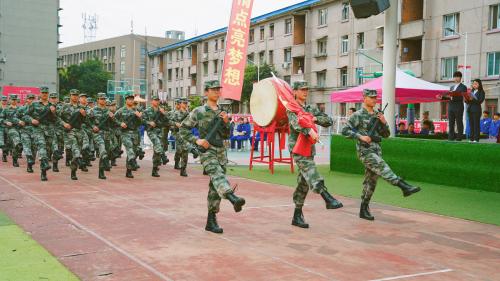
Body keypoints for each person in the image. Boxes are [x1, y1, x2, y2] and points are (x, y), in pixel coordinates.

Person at [342, 89, 421, 221]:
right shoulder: (358, 115)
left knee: (371, 182)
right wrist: (360, 136)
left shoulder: (378, 115)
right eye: (371, 97)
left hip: (376, 150)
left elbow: (386, 134)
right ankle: (403, 186)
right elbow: (345, 130)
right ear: (364, 98)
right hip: (365, 151)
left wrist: (384, 122)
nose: (374, 100)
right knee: (382, 166)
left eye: (375, 97)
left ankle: (363, 208)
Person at [179, 80, 246, 234]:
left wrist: (226, 122)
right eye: (213, 89)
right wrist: (197, 140)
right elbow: (183, 129)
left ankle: (211, 220)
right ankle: (232, 197)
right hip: (207, 151)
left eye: (218, 89)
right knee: (217, 174)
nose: (217, 92)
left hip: (221, 151)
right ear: (206, 92)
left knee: (214, 187)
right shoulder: (199, 111)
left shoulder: (222, 112)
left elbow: (227, 135)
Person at [287, 81, 343, 229]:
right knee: (311, 171)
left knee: (304, 182)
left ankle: (297, 216)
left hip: (309, 148)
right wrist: (309, 130)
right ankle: (327, 198)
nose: (305, 92)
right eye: (302, 90)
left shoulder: (311, 108)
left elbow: (328, 120)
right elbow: (296, 125)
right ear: (295, 91)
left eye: (306, 89)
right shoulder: (292, 107)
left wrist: (315, 119)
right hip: (298, 148)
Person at [114, 93, 143, 178]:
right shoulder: (121, 110)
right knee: (129, 148)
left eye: (132, 99)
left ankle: (129, 170)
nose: (131, 100)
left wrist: (139, 117)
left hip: (134, 133)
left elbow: (141, 123)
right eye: (129, 99)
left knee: (132, 151)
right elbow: (113, 119)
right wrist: (120, 123)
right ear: (126, 100)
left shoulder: (136, 110)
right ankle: (133, 162)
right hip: (125, 133)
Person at [143, 94, 170, 177]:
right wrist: (149, 122)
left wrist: (164, 114)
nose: (157, 101)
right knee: (157, 143)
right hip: (151, 131)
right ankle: (164, 157)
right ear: (152, 101)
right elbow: (142, 120)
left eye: (158, 100)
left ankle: (155, 169)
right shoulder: (147, 111)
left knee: (157, 150)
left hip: (159, 131)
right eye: (155, 100)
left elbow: (167, 121)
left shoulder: (161, 110)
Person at [89, 93, 114, 179]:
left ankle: (101, 171)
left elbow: (113, 124)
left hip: (107, 134)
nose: (103, 100)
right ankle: (103, 170)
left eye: (104, 99)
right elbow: (86, 120)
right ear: (98, 100)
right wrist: (93, 126)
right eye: (101, 99)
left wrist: (112, 118)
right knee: (102, 150)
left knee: (106, 152)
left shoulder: (108, 111)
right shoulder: (93, 110)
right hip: (97, 133)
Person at [439, 71, 466, 141]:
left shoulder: (463, 87)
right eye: (455, 77)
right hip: (451, 106)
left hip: (458, 106)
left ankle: (459, 137)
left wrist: (452, 96)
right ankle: (451, 137)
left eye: (458, 77)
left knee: (459, 122)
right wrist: (441, 97)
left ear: (460, 78)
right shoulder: (451, 87)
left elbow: (461, 97)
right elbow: (449, 97)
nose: (456, 78)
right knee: (451, 122)